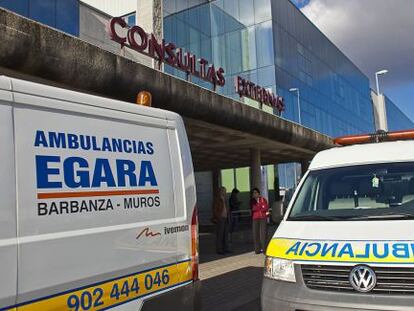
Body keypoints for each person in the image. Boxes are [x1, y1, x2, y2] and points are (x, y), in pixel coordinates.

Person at [212, 186, 231, 255]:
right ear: (221, 191)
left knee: (226, 234)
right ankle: (219, 249)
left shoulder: (225, 199)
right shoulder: (217, 199)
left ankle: (226, 248)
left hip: (226, 218)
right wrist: (217, 217)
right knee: (220, 234)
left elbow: (227, 208)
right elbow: (215, 209)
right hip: (220, 218)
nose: (225, 192)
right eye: (224, 191)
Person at [250, 187, 269, 254]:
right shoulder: (252, 201)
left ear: (258, 193)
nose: (255, 194)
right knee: (256, 234)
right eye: (253, 193)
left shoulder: (263, 199)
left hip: (263, 218)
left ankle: (264, 249)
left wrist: (260, 207)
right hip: (255, 218)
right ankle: (257, 249)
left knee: (263, 234)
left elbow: (265, 207)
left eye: (256, 193)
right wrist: (261, 207)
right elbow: (253, 208)